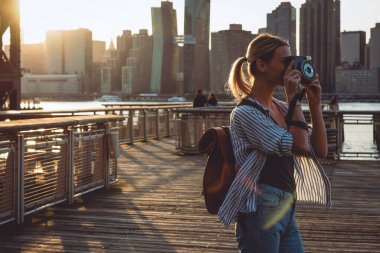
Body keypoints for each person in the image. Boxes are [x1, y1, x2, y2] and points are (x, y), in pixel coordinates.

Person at [218, 33, 331, 252]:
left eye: (293, 61)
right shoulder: (245, 113)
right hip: (260, 208)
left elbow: (319, 150)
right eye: (285, 61)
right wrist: (294, 99)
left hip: (287, 205)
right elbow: (298, 146)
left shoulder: (279, 107)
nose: (292, 67)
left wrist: (314, 104)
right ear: (261, 65)